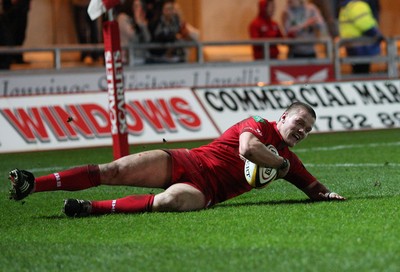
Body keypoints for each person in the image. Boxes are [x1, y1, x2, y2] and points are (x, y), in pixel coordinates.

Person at [8, 102, 345, 217]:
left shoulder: (290, 160)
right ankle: (31, 184)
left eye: (307, 130)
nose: (302, 131)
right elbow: (247, 150)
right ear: (283, 117)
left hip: (207, 191)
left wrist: (326, 194)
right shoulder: (257, 126)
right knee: (112, 170)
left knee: (170, 201)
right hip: (187, 160)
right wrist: (281, 166)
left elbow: (314, 187)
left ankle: (87, 208)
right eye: (299, 123)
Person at [338, 0, 383, 74]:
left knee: (357, 70)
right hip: (362, 45)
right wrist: (377, 34)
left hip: (351, 44)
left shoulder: (347, 6)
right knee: (362, 71)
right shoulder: (358, 5)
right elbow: (365, 24)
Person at [116, 0, 151, 65]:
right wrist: (138, 21)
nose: (138, 9)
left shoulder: (141, 21)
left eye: (140, 6)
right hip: (128, 58)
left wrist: (142, 25)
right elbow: (133, 38)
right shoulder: (122, 18)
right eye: (136, 6)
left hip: (141, 58)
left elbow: (148, 39)